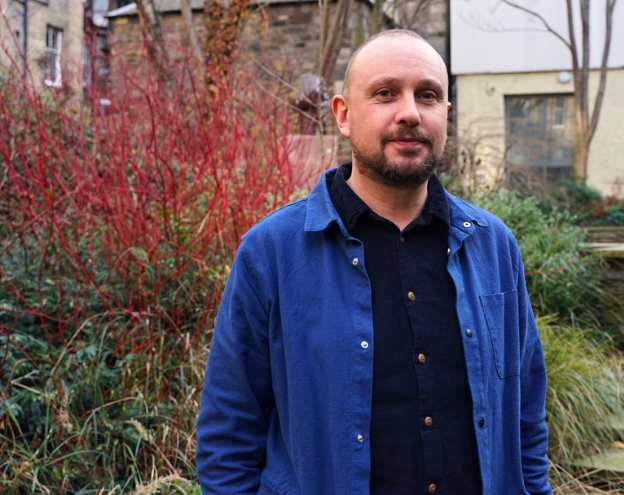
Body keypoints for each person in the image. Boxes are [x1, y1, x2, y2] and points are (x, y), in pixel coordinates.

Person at [195, 29, 551, 495]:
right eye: (385, 93)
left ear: (445, 114)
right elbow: (228, 436)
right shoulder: (271, 253)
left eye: (428, 96)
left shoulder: (493, 245)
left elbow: (526, 416)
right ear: (343, 115)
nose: (410, 112)